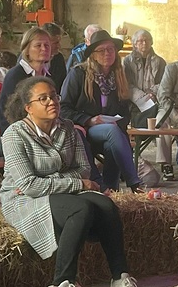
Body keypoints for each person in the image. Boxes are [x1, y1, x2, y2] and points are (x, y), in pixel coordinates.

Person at [1, 77, 139, 287]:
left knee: (105, 205)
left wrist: (60, 181)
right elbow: (29, 185)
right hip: (24, 199)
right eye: (42, 98)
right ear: (28, 107)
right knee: (81, 209)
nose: (51, 102)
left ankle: (119, 277)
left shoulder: (68, 128)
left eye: (54, 96)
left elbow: (84, 169)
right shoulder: (14, 135)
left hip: (61, 191)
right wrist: (72, 182)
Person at [60, 33, 142, 191]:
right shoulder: (78, 74)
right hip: (83, 130)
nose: (107, 53)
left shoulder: (117, 76)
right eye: (102, 50)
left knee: (113, 144)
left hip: (111, 131)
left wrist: (118, 120)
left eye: (111, 49)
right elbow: (63, 109)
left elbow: (126, 110)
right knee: (113, 131)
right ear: (93, 55)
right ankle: (134, 183)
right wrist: (89, 120)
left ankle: (110, 189)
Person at [0, 26, 57, 124]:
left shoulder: (48, 75)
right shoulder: (15, 75)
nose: (43, 49)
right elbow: (7, 112)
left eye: (47, 45)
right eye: (38, 45)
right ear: (27, 49)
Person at [123, 29, 166, 124]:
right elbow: (126, 83)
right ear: (134, 43)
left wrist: (152, 94)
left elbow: (163, 83)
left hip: (153, 99)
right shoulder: (127, 61)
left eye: (147, 40)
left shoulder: (160, 62)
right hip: (133, 100)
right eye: (141, 41)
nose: (144, 43)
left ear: (151, 42)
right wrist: (142, 97)